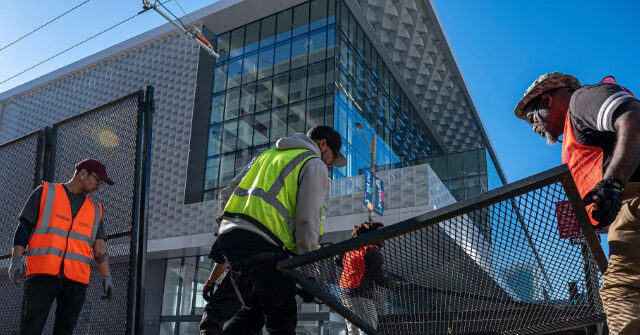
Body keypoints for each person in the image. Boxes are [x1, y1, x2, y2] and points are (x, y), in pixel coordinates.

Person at [514, 72, 640, 334]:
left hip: (634, 201)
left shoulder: (582, 100)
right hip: (627, 208)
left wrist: (613, 184)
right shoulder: (577, 128)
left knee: (621, 289)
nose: (534, 128)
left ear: (547, 100)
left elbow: (634, 117)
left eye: (531, 118)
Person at [216, 125, 346, 335]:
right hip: (263, 244)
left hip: (231, 239)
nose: (328, 165)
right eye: (330, 159)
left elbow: (227, 194)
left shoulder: (266, 155)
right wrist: (309, 272)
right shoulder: (313, 163)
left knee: (253, 313)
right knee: (282, 320)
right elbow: (308, 220)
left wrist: (227, 228)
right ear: (323, 144)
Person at [8, 158, 115, 335]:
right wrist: (16, 259)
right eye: (98, 180)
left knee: (65, 330)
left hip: (76, 279)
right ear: (83, 174)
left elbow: (100, 245)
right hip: (43, 273)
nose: (99, 187)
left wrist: (107, 277)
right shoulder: (45, 193)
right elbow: (24, 228)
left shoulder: (95, 209)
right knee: (32, 327)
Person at [335, 221, 390, 335]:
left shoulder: (352, 248)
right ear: (372, 235)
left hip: (345, 293)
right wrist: (394, 285)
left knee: (353, 330)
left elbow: (337, 259)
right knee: (368, 328)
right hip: (361, 293)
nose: (384, 237)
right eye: (381, 233)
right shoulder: (372, 250)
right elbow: (380, 279)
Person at [200, 238, 262, 335]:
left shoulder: (238, 223)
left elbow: (223, 262)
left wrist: (210, 283)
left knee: (213, 314)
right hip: (270, 276)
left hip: (246, 268)